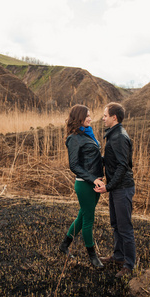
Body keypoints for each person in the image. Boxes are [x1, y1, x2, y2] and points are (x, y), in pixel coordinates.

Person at [58, 104, 105, 268]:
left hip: (95, 183)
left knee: (82, 216)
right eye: (87, 116)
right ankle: (93, 256)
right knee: (88, 221)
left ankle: (64, 245)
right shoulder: (73, 138)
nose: (90, 119)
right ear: (79, 117)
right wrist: (93, 179)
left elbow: (94, 158)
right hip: (85, 185)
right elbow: (74, 166)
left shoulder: (88, 134)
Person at [94, 102, 136, 278]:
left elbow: (122, 166)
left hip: (122, 188)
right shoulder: (114, 134)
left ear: (114, 117)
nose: (103, 118)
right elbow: (114, 160)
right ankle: (118, 256)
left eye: (105, 115)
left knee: (125, 227)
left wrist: (108, 187)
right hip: (117, 188)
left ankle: (129, 265)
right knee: (116, 224)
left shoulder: (119, 136)